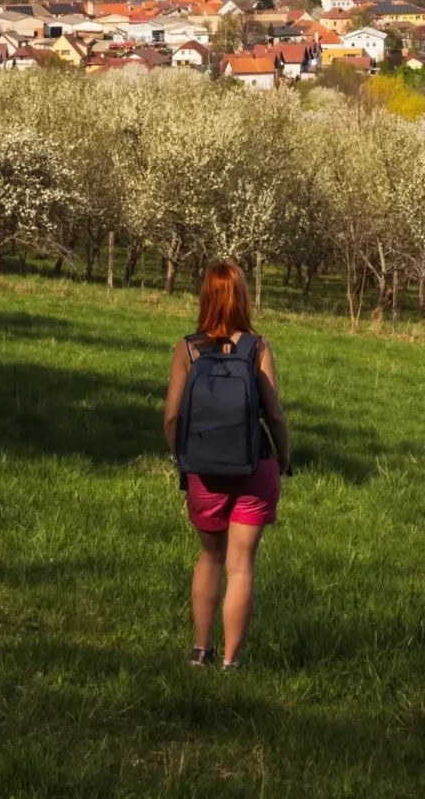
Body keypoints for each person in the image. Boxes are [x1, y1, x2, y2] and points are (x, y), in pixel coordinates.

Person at [162, 262, 291, 669]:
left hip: (203, 469)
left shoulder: (187, 348)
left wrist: (181, 459)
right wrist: (283, 457)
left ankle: (201, 651)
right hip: (254, 467)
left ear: (205, 296)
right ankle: (232, 662)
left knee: (210, 557)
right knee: (241, 568)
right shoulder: (258, 347)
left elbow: (171, 417)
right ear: (242, 296)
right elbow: (274, 414)